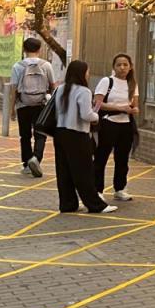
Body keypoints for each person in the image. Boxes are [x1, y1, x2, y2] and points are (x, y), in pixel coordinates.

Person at [53, 60, 116, 214]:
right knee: (84, 171)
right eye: (87, 71)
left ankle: (68, 204)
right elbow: (86, 115)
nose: (88, 74)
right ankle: (95, 205)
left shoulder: (61, 89)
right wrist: (96, 116)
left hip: (60, 133)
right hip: (77, 134)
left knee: (64, 170)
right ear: (82, 73)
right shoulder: (84, 91)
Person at [8, 36, 57, 177]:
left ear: (24, 49)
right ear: (39, 50)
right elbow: (53, 86)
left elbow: (14, 89)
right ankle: (36, 158)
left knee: (25, 135)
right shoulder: (46, 65)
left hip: (23, 104)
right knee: (40, 133)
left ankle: (27, 164)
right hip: (41, 104)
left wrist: (12, 109)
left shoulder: (18, 66)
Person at [93, 53, 139, 202]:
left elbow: (135, 104)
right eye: (119, 65)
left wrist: (133, 110)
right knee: (102, 156)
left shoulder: (132, 84)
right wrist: (120, 108)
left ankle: (120, 188)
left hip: (126, 125)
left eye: (125, 65)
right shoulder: (107, 81)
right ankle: (97, 189)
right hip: (108, 123)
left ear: (130, 67)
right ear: (114, 67)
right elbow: (98, 104)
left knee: (122, 158)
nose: (122, 68)